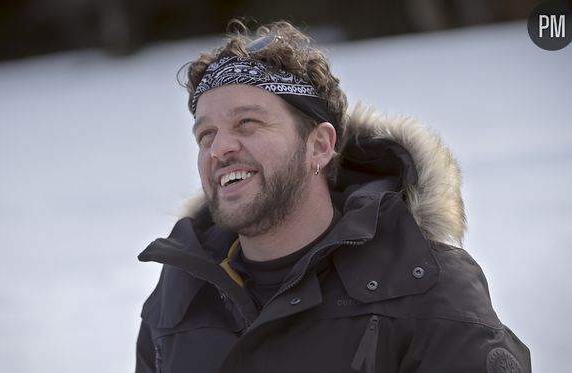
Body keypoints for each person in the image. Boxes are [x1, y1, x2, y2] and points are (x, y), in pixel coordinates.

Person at [135, 20, 531, 373]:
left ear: (320, 146)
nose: (219, 149)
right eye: (206, 134)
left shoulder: (426, 285)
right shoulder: (180, 295)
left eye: (247, 123)